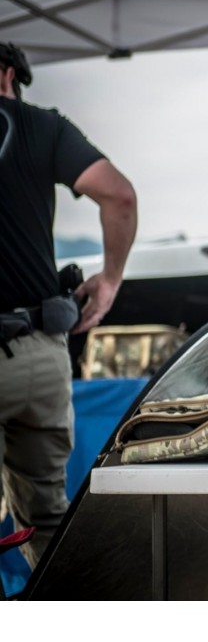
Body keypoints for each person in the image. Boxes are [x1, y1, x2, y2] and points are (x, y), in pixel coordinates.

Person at [0, 42, 138, 567]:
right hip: (40, 353)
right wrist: (110, 280)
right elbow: (119, 195)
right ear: (11, 75)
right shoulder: (45, 127)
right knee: (46, 518)